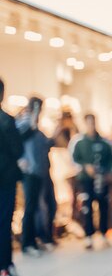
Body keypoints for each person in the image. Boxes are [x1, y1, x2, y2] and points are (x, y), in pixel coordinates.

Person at [16, 97, 54, 258]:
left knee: (38, 207)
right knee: (31, 208)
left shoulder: (35, 126)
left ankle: (36, 239)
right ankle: (27, 243)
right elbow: (18, 141)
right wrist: (21, 161)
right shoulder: (25, 122)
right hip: (30, 171)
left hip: (39, 171)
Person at [72, 114, 112, 249]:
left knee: (103, 205)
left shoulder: (103, 142)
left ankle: (103, 233)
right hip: (85, 180)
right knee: (87, 207)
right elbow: (75, 159)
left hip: (101, 179)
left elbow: (110, 159)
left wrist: (107, 171)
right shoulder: (80, 142)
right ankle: (88, 236)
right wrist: (85, 166)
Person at [0, 78, 26, 276]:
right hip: (6, 178)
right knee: (4, 221)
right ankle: (5, 265)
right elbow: (17, 150)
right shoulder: (7, 121)